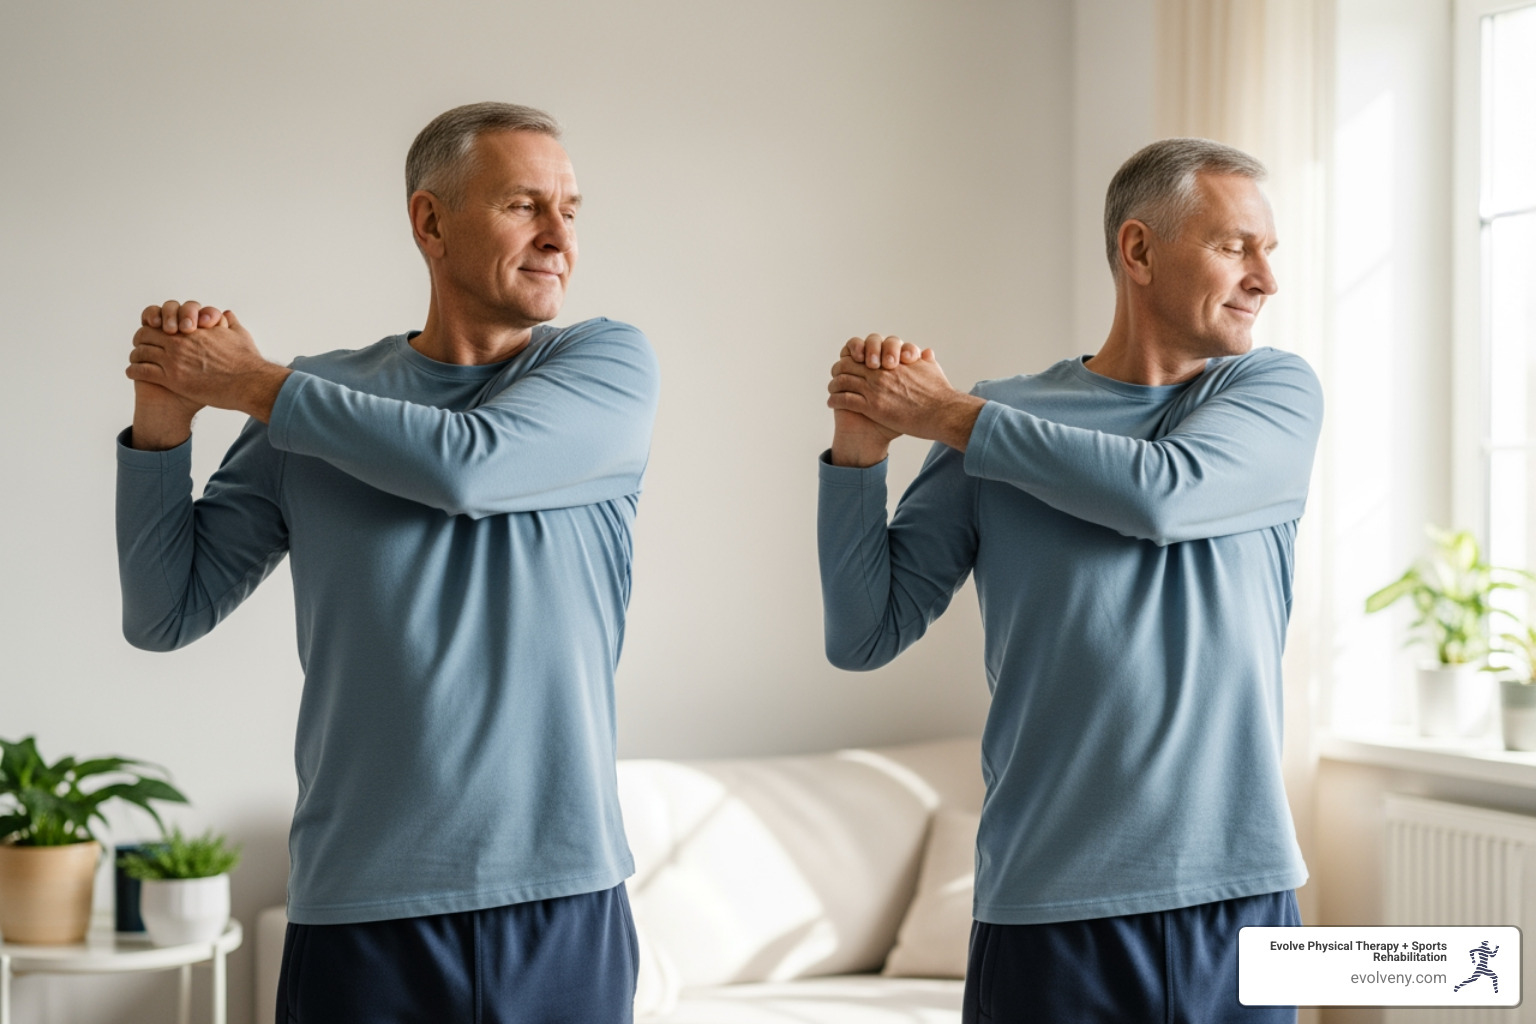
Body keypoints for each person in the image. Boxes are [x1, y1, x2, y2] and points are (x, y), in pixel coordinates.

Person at [117, 102, 659, 1023]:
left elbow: (467, 465)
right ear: (430, 221)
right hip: (359, 910)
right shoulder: (311, 405)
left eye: (572, 208)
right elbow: (165, 611)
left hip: (560, 901)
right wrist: (164, 415)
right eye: (525, 204)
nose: (560, 235)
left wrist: (250, 383)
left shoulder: (605, 370)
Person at [818, 138, 1321, 1022]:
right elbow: (865, 634)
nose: (1264, 279)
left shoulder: (1272, 396)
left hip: (1238, 900)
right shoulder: (996, 422)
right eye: (1236, 246)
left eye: (1268, 250)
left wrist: (945, 414)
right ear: (1138, 251)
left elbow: (1165, 495)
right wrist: (859, 454)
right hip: (1046, 910)